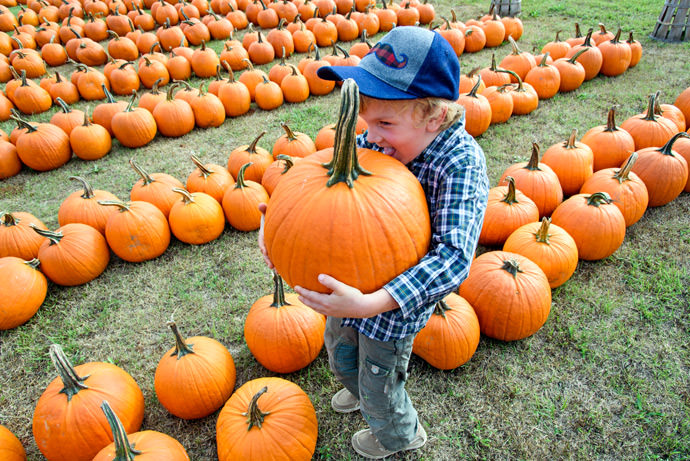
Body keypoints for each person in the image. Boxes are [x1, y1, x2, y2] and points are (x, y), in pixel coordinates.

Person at [258, 26, 489, 459]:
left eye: (384, 123)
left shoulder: (460, 164)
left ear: (434, 117)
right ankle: (358, 390)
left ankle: (399, 434)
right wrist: (277, 229)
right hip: (346, 295)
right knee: (340, 355)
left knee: (380, 384)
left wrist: (372, 303)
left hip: (392, 312)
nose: (371, 136)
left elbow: (454, 258)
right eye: (366, 123)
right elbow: (322, 207)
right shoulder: (380, 143)